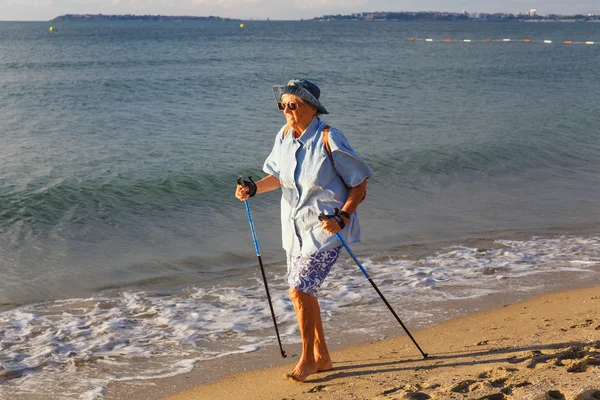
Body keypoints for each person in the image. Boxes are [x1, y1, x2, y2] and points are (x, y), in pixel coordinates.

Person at [235, 79, 374, 382]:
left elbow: (359, 184)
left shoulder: (330, 138)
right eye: (281, 105)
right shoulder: (284, 135)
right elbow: (277, 177)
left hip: (326, 230)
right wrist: (253, 188)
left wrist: (343, 216)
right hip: (294, 231)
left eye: (292, 105)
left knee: (299, 290)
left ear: (312, 108)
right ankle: (322, 357)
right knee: (305, 294)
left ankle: (307, 359)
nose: (286, 110)